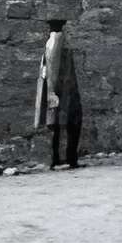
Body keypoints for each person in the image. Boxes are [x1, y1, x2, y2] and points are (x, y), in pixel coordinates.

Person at [33, 18, 84, 169]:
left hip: (61, 88)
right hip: (62, 90)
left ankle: (57, 158)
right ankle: (65, 158)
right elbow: (53, 68)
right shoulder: (57, 39)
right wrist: (52, 92)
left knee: (56, 123)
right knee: (67, 122)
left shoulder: (52, 41)